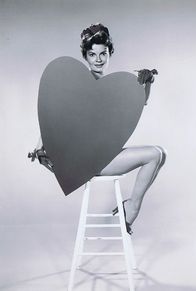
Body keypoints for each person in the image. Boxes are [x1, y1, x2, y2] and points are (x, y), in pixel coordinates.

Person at [29, 23, 167, 235]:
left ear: (110, 53)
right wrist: (40, 147)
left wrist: (147, 84)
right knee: (154, 155)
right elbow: (53, 115)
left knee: (160, 153)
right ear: (85, 56)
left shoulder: (114, 85)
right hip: (86, 161)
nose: (98, 59)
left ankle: (130, 207)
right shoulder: (77, 83)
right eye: (92, 55)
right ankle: (131, 210)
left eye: (103, 53)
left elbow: (140, 104)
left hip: (105, 154)